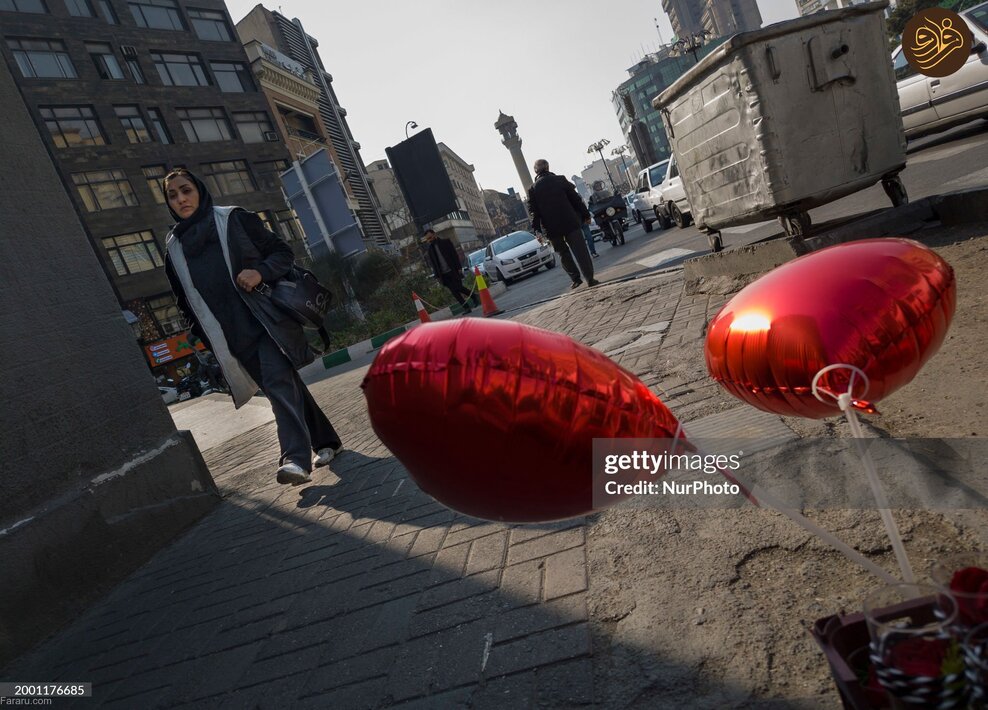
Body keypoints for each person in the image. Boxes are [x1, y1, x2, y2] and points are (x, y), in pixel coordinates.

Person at [162, 168, 342, 485]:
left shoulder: (232, 219)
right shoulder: (174, 249)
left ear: (199, 190)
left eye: (185, 190)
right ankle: (327, 441)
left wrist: (259, 271)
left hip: (265, 323)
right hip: (232, 338)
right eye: (172, 195)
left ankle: (295, 460)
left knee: (277, 386)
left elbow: (282, 253)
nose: (181, 199)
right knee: (285, 388)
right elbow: (183, 299)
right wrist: (200, 332)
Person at [527, 159, 599, 289]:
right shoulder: (560, 180)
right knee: (581, 251)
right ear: (548, 167)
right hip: (570, 222)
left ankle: (576, 279)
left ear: (535, 171)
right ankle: (590, 279)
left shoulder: (533, 189)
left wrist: (537, 231)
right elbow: (576, 199)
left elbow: (534, 212)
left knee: (563, 253)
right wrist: (586, 215)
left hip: (552, 228)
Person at [423, 228, 472, 314]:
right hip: (444, 275)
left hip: (453, 270)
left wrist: (459, 268)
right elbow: (434, 264)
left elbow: (454, 255)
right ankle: (466, 308)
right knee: (455, 292)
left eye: (430, 237)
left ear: (434, 234)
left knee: (459, 288)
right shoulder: (430, 250)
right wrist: (437, 276)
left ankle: (474, 297)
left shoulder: (446, 242)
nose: (429, 240)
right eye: (427, 239)